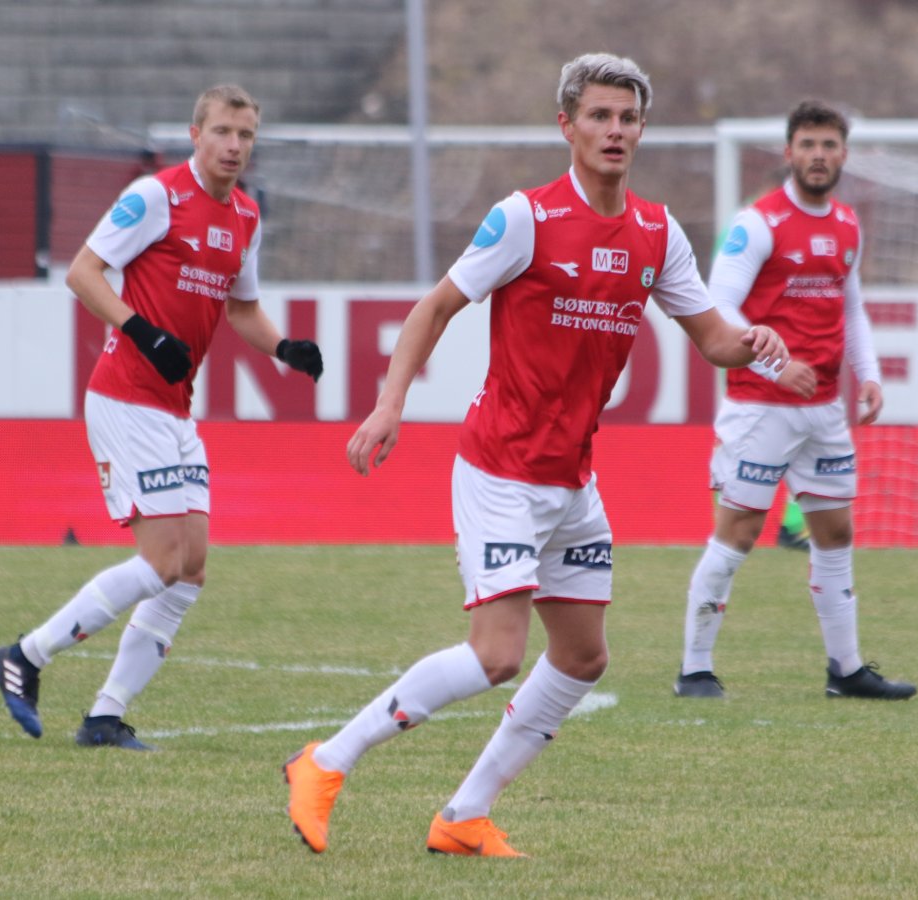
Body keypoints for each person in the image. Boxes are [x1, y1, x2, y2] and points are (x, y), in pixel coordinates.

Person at [282, 53, 789, 858]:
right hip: (501, 470)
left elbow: (714, 340)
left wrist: (753, 341)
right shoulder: (526, 218)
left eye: (627, 118)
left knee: (583, 656)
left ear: (642, 129)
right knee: (498, 656)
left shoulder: (657, 232)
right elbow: (435, 307)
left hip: (571, 479)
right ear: (567, 126)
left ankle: (464, 815)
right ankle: (325, 762)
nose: (615, 130)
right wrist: (390, 402)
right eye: (599, 116)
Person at [0, 84, 322, 749]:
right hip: (125, 397)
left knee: (190, 567)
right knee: (163, 559)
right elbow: (83, 273)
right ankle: (25, 655)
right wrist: (142, 330)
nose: (234, 145)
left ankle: (104, 716)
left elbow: (241, 308)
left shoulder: (246, 215)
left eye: (246, 135)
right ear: (195, 134)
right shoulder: (154, 197)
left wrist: (284, 347)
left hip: (173, 409)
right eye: (222, 131)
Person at [673, 100, 916, 702]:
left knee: (835, 533)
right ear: (788, 152)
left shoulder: (848, 225)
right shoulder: (758, 223)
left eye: (829, 145)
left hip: (825, 411)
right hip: (761, 406)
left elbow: (850, 308)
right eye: (807, 144)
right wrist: (775, 365)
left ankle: (846, 670)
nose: (818, 155)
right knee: (738, 534)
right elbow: (718, 306)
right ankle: (694, 669)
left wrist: (869, 374)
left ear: (844, 154)